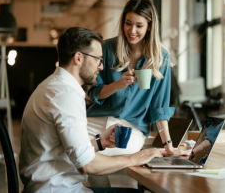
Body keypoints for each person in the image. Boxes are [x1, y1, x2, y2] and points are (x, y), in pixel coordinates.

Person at [19, 27, 162, 193]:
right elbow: (87, 165)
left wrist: (101, 142)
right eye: (98, 59)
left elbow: (65, 149)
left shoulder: (53, 86)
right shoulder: (65, 95)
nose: (101, 67)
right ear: (78, 58)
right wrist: (133, 158)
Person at [87, 0, 177, 157]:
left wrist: (168, 145)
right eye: (128, 23)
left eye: (139, 25)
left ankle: (95, 180)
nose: (132, 31)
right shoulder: (107, 48)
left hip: (131, 126)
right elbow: (94, 94)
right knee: (68, 145)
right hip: (97, 119)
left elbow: (159, 108)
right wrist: (118, 85)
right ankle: (92, 182)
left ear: (149, 26)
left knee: (91, 152)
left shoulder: (161, 58)